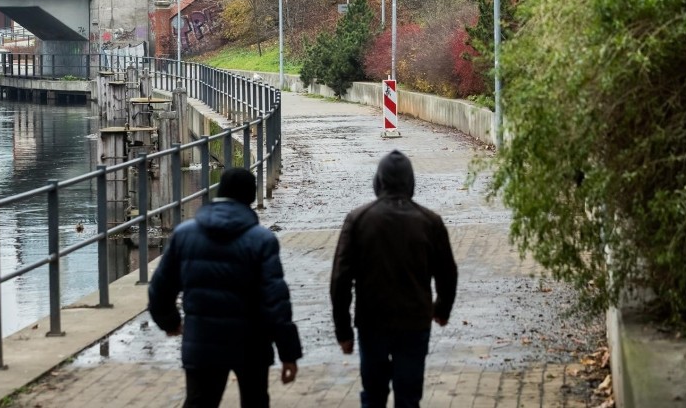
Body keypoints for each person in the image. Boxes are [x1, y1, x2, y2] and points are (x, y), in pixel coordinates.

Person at [148, 167, 302, 408]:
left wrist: (169, 321)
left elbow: (160, 287)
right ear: (250, 198)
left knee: (199, 401)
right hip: (252, 343)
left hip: (202, 340)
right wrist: (289, 354)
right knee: (255, 400)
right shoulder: (262, 240)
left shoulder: (185, 235)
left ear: (219, 192)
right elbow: (277, 303)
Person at [330, 149, 458, 408]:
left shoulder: (358, 220)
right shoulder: (430, 222)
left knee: (373, 395)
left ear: (378, 182)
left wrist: (343, 330)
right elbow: (447, 272)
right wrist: (442, 308)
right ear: (411, 183)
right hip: (415, 322)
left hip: (371, 322)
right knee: (409, 397)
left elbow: (340, 280)